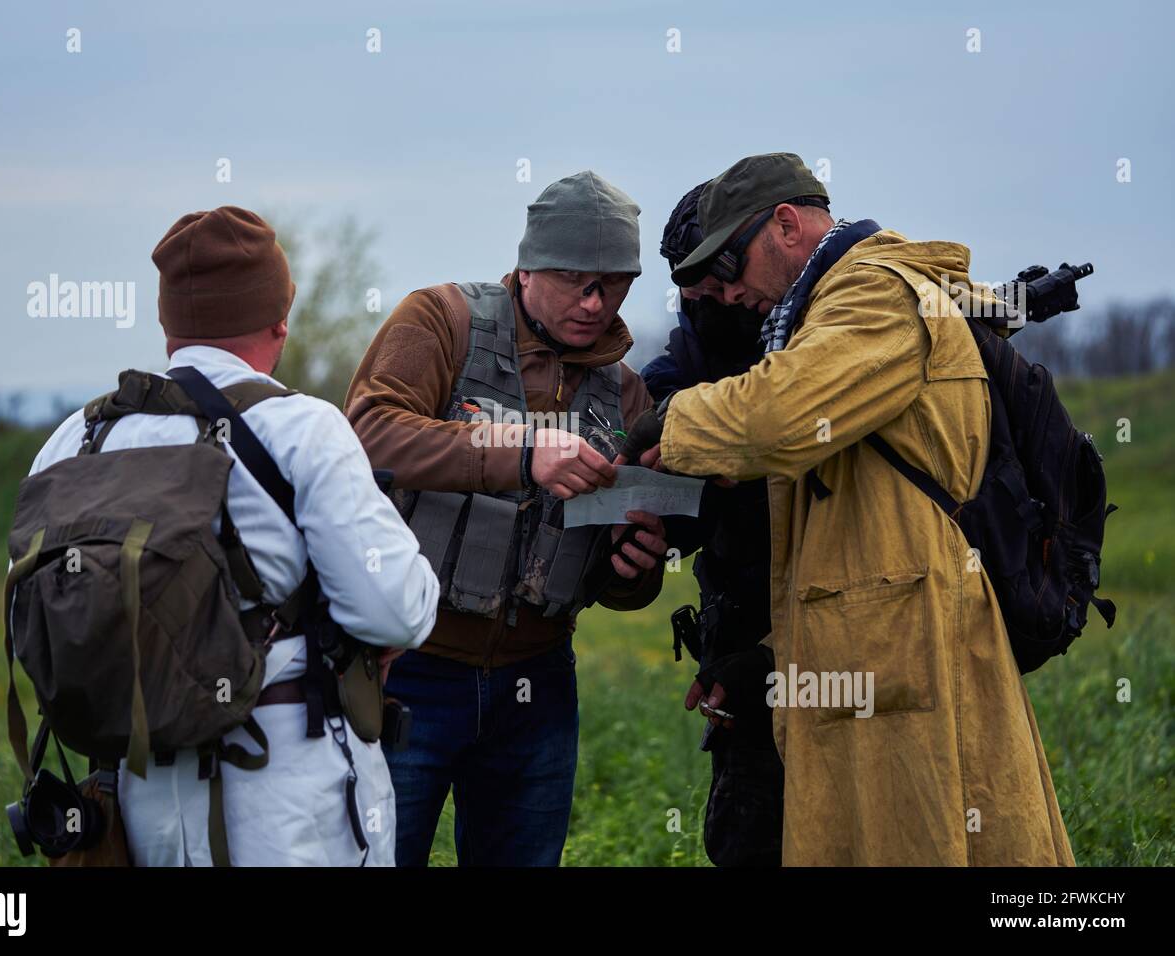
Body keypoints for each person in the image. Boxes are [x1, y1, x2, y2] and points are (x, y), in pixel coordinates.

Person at [621, 153, 1075, 866]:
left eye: (731, 267)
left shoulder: (872, 292)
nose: (727, 294)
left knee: (931, 835)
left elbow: (778, 416)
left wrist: (671, 423)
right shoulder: (824, 306)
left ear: (787, 224)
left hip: (908, 649)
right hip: (879, 648)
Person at [21, 206, 439, 865]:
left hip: (131, 806)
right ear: (280, 318)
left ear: (168, 325)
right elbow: (397, 609)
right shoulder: (303, 428)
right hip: (288, 800)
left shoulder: (76, 438)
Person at [345, 171, 669, 866]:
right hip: (408, 668)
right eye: (575, 280)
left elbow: (620, 585)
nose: (594, 302)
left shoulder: (627, 394)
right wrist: (521, 451)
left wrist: (632, 566)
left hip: (539, 684)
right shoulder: (440, 321)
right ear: (526, 269)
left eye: (614, 285)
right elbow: (369, 434)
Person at [641, 182, 782, 867]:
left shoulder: (828, 338)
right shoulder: (695, 353)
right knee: (750, 841)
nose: (715, 305)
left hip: (853, 645)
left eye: (720, 284)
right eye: (693, 295)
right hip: (744, 658)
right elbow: (670, 499)